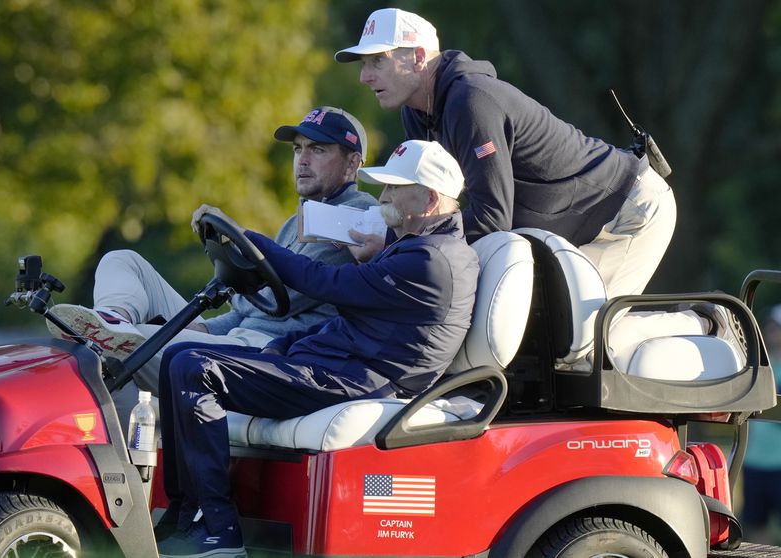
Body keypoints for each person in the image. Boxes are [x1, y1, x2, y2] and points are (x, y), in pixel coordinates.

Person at [334, 8, 743, 360]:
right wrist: (385, 236)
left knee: (581, 343)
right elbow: (426, 208)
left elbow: (493, 218)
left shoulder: (470, 101)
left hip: (629, 209)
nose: (364, 77)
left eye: (377, 62)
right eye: (363, 64)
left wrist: (393, 248)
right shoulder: (419, 113)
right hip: (582, 221)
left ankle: (706, 320)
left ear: (418, 57)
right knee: (538, 341)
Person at [154, 140, 479, 558]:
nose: (383, 198)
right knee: (179, 359)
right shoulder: (413, 247)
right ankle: (185, 511)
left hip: (362, 381)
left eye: (395, 189)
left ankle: (219, 529)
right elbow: (350, 320)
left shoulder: (431, 259)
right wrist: (283, 343)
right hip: (336, 366)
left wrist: (251, 241)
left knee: (195, 369)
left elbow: (323, 283)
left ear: (431, 199)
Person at [46, 106, 378, 402]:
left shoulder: (356, 216)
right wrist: (209, 326)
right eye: (297, 149)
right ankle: (110, 319)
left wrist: (238, 276)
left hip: (271, 356)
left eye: (317, 150)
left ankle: (111, 336)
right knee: (121, 260)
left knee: (132, 343)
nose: (302, 161)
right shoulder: (297, 221)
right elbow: (252, 308)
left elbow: (286, 299)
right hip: (237, 338)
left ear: (352, 163)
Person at [740, 305, 781, 544]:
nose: (772, 330)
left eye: (778, 327)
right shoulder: (757, 366)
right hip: (754, 463)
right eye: (772, 325)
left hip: (779, 466)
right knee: (756, 527)